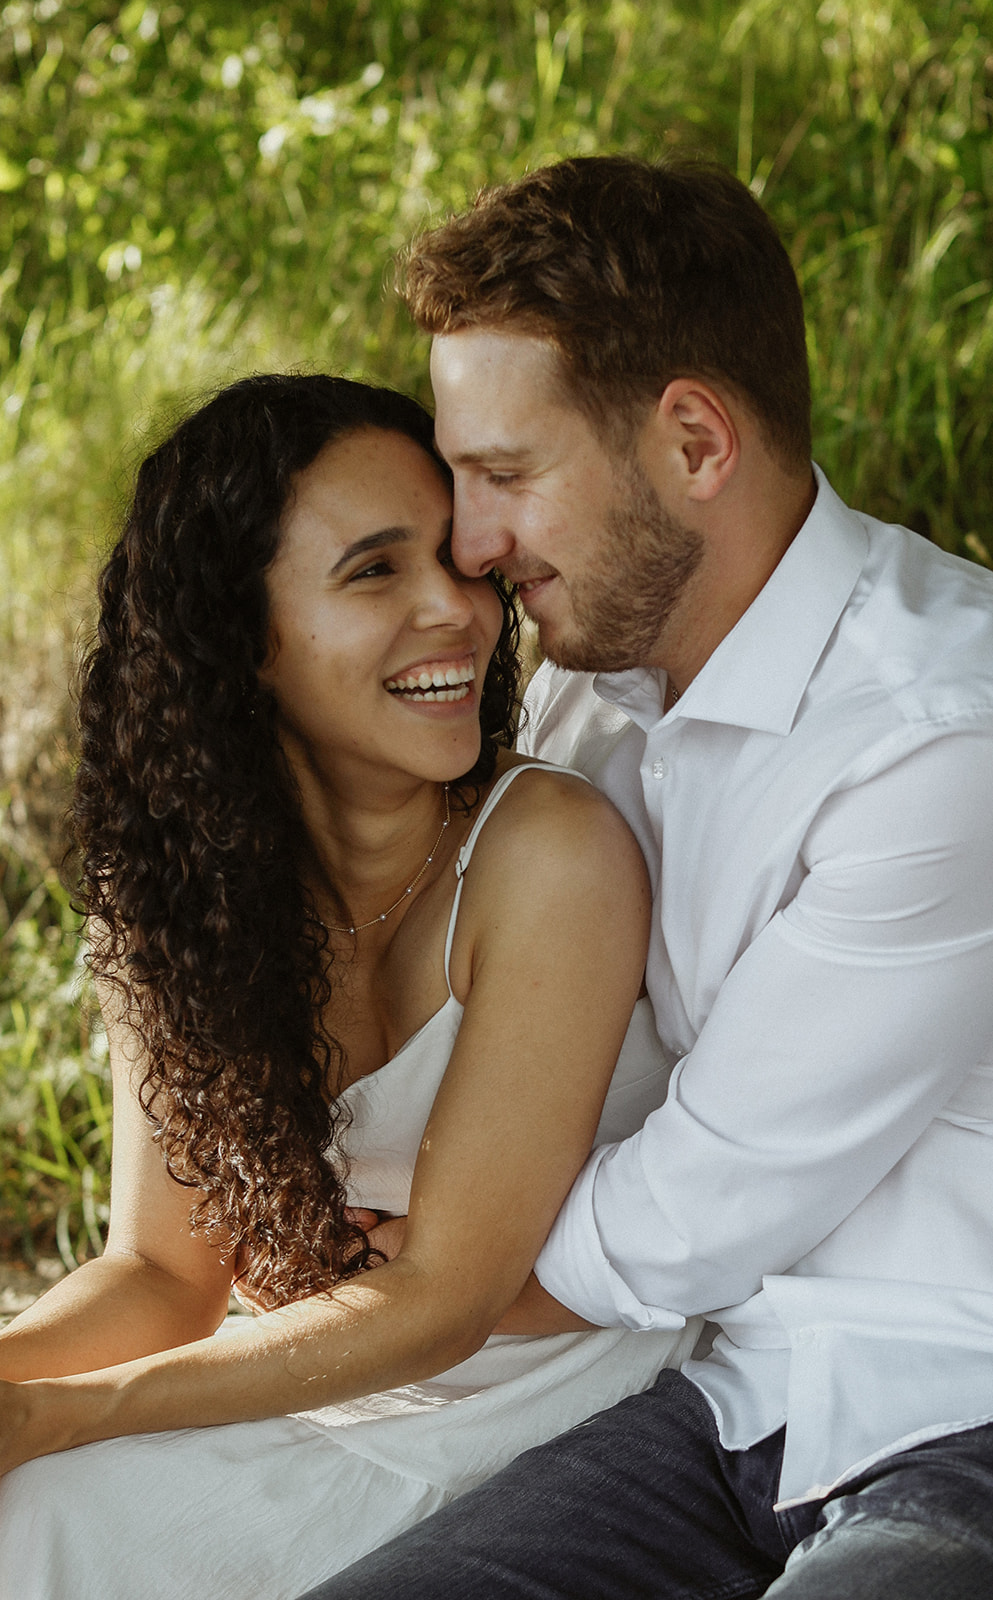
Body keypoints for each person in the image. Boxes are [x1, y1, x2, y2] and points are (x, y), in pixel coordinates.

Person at [294, 157, 993, 1598]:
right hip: (721, 1405)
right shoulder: (585, 692)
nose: (472, 547)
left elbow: (698, 1204)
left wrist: (424, 1282)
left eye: (505, 476)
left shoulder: (942, 731)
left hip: (957, 1407)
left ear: (691, 441)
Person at [0, 373, 700, 1598]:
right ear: (243, 640)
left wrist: (73, 1415)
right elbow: (165, 1277)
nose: (457, 610)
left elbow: (443, 1300)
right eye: (374, 571)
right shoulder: (179, 905)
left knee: (52, 1502)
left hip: (562, 1408)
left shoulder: (548, 855)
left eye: (459, 560)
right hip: (325, 1378)